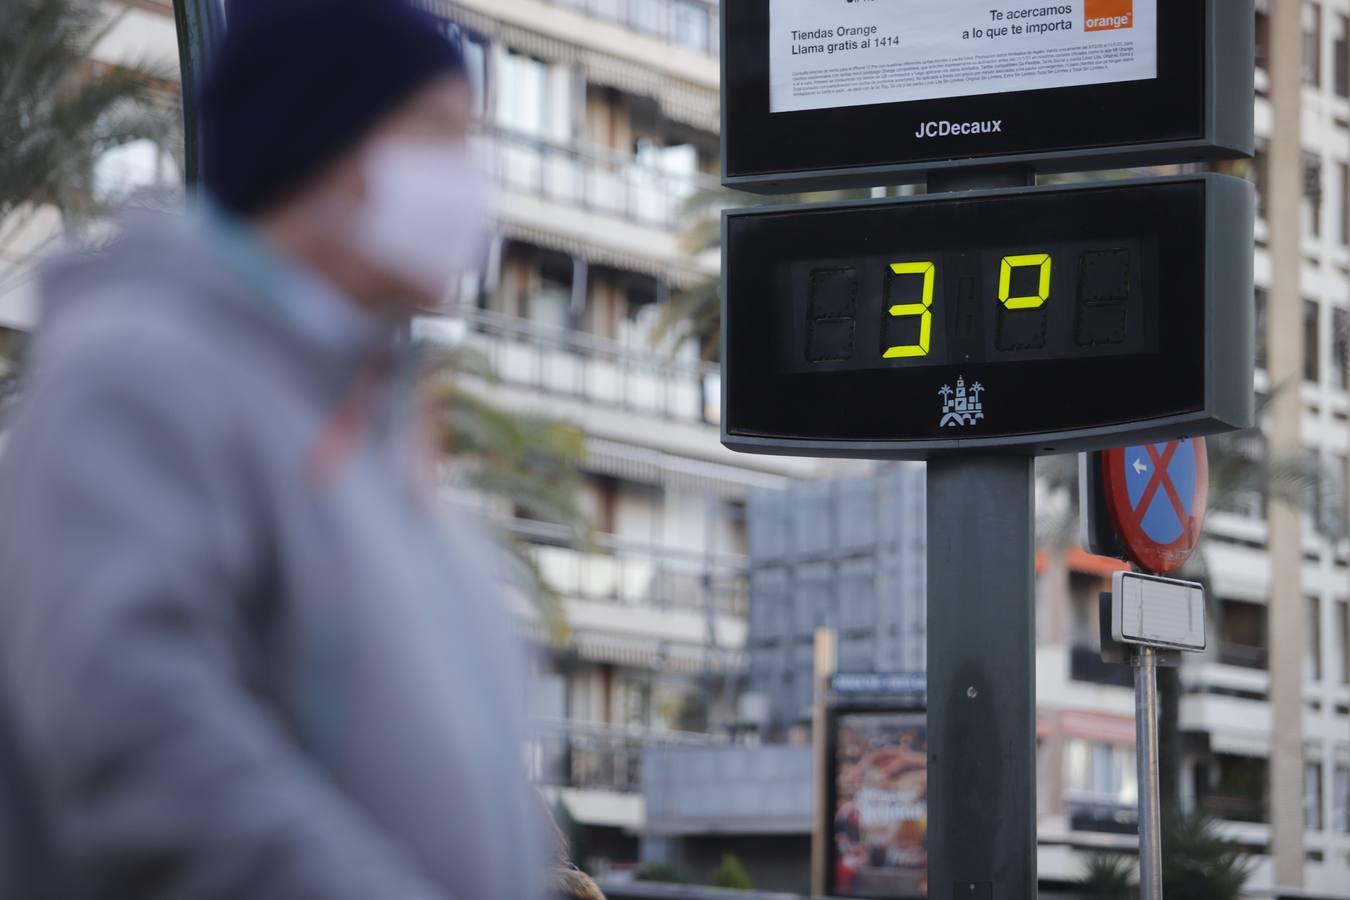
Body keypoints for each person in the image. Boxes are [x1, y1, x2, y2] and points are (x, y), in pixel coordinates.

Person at [0, 1, 549, 897]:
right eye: (440, 135)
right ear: (331, 151)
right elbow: (134, 732)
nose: (471, 185)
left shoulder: (363, 425)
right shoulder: (137, 378)